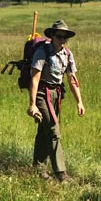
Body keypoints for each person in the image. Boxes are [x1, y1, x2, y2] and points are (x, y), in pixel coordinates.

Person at [26, 20, 85, 182]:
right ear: (52, 36)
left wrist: (79, 102)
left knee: (44, 130)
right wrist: (32, 105)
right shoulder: (42, 52)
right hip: (41, 93)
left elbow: (72, 79)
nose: (63, 40)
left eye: (65, 37)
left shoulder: (67, 54)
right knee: (53, 128)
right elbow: (35, 78)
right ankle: (61, 173)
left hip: (57, 93)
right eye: (59, 36)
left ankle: (38, 169)